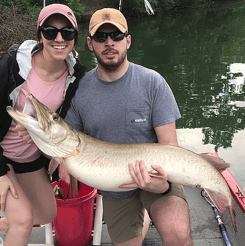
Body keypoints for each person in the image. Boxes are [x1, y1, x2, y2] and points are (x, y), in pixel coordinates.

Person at [16, 8, 231, 246]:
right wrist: (35, 136)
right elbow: (61, 150)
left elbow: (169, 147)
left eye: (116, 36)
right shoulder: (79, 90)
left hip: (158, 179)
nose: (109, 43)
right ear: (90, 43)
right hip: (116, 191)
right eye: (101, 37)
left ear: (127, 41)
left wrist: (162, 183)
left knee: (178, 234)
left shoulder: (153, 83)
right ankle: (144, 216)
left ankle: (149, 209)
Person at [0, 4, 85, 246]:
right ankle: (14, 223)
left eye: (67, 33)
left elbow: (71, 122)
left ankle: (0, 225)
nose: (59, 38)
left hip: (29, 158)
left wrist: (62, 159)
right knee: (23, 220)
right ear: (40, 35)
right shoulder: (12, 66)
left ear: (75, 40)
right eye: (50, 31)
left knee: (47, 213)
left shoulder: (76, 76)